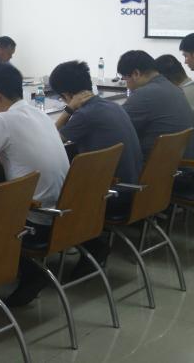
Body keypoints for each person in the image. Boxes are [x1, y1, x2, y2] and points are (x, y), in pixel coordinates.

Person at [0, 63, 69, 307]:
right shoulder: (40, 114)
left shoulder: (3, 120)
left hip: (36, 219)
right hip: (64, 212)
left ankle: (28, 272)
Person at [49, 59, 143, 278]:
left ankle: (92, 246)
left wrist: (68, 110)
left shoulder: (85, 115)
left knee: (51, 193)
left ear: (67, 95)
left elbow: (51, 140)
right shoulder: (111, 105)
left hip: (114, 195)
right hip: (133, 187)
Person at [117, 51, 194, 160]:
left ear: (136, 74)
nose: (127, 85)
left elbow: (116, 127)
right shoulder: (173, 88)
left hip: (155, 167)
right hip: (179, 164)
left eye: (125, 79)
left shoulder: (145, 94)